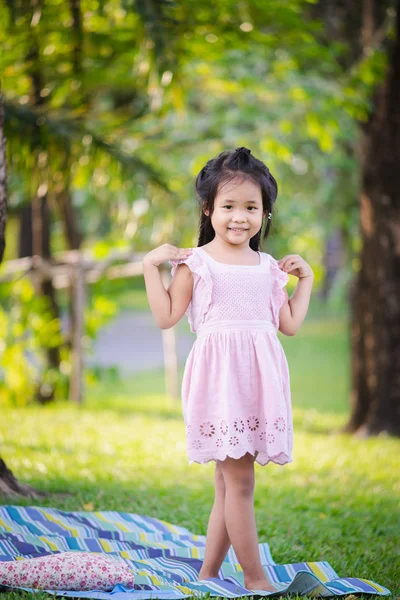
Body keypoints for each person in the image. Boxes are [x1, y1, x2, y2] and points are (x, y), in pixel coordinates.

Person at [143, 146, 314, 593]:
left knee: (227, 482)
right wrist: (149, 266)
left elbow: (289, 325)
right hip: (220, 385)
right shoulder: (196, 264)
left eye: (251, 207)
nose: (240, 217)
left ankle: (208, 573)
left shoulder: (268, 268)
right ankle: (256, 579)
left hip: (258, 383)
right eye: (229, 207)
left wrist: (306, 281)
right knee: (240, 481)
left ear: (265, 213)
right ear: (209, 209)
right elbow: (166, 317)